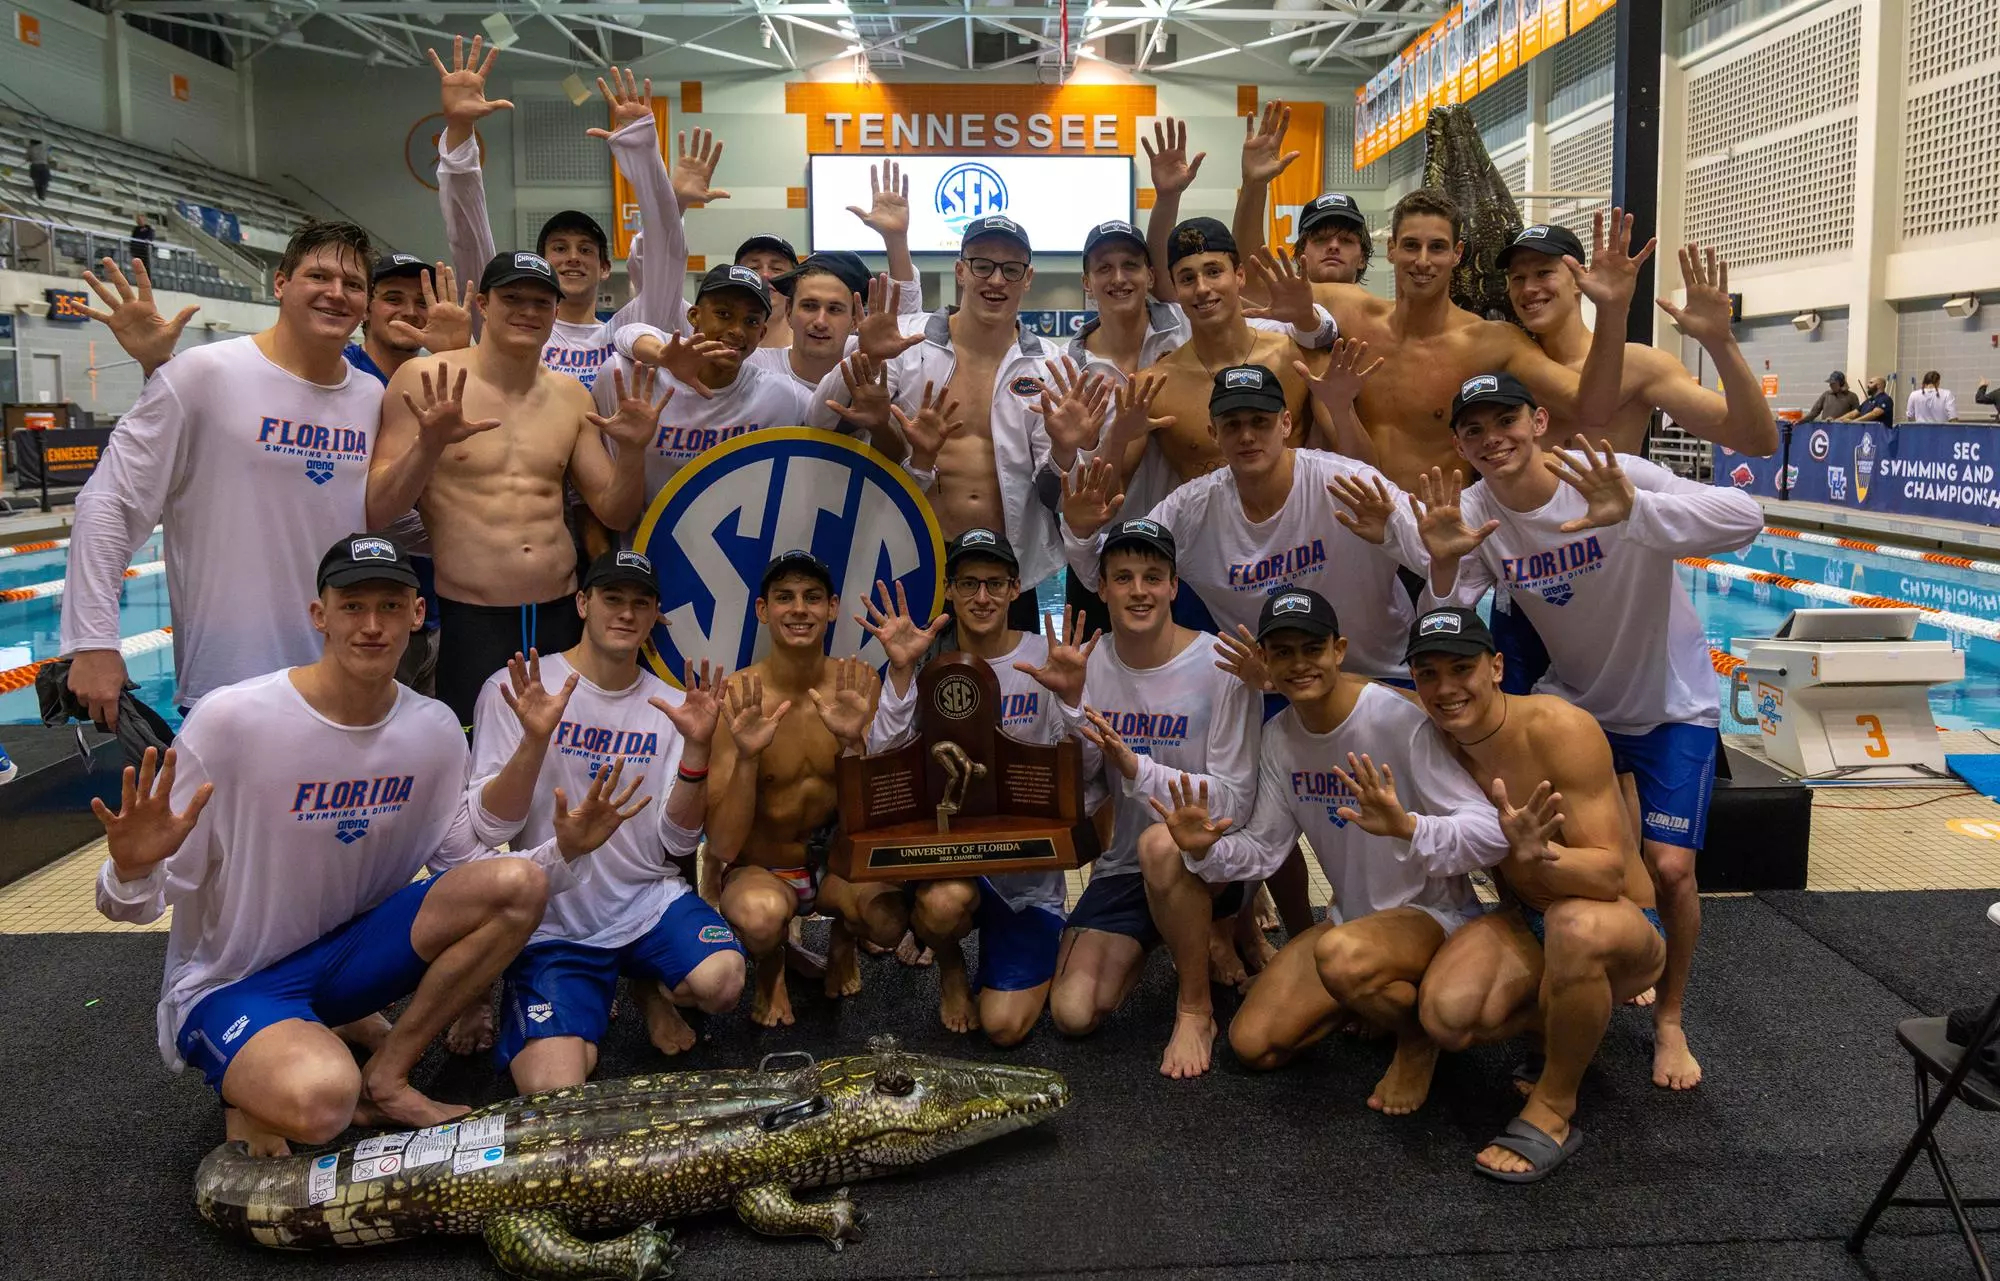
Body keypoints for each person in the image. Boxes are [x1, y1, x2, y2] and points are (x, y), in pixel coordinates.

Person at [93, 533, 623, 1154]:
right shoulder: (232, 722)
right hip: (235, 980)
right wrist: (130, 867)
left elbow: (465, 859)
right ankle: (260, 1077)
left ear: (417, 614)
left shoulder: (431, 729)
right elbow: (138, 907)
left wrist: (566, 850)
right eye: (352, 606)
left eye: (391, 606)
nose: (372, 626)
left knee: (520, 884)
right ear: (320, 615)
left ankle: (390, 1073)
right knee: (321, 1104)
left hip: (350, 961)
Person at [1415, 372, 1763, 1091]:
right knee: (1526, 845)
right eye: (1473, 430)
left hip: (1669, 701)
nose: (1492, 439)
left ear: (1540, 420)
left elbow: (1745, 516)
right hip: (1576, 703)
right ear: (1459, 443)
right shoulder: (1476, 508)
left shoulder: (1608, 474)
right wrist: (1444, 561)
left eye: (1505, 420)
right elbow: (1445, 620)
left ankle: (1669, 1019)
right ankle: (1558, 991)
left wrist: (1634, 511)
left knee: (1670, 870)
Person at [1149, 589, 1507, 1111]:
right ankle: (1367, 997)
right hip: (1351, 921)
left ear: (1338, 650)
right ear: (1265, 662)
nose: (1299, 664)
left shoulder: (1395, 720)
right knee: (1254, 1044)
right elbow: (1266, 849)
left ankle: (1415, 1036)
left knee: (1340, 957)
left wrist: (1408, 827)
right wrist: (1204, 852)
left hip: (1433, 915)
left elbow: (1490, 832)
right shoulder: (1279, 737)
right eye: (1284, 652)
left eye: (1312, 649)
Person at [61, 220, 384, 726]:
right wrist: (94, 639)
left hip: (345, 678)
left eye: (353, 284)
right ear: (280, 284)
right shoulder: (200, 375)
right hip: (229, 683)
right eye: (318, 276)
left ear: (366, 302)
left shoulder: (372, 398)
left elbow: (383, 518)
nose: (336, 294)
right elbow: (110, 504)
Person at [1406, 605, 1667, 1183]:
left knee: (1574, 927)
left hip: (1619, 921)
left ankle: (1554, 1103)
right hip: (1528, 918)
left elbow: (1608, 876)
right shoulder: (1438, 737)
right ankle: (1559, 1026)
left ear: (1496, 666)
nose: (1445, 689)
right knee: (1445, 1018)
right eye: (1428, 674)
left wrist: (1537, 854)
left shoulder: (1559, 728)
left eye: (1460, 669)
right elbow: (1356, 690)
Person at [472, 550, 745, 1089]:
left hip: (645, 900)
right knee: (551, 1090)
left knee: (724, 983)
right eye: (611, 599)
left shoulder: (671, 705)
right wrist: (534, 739)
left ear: (654, 616)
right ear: (582, 603)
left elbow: (679, 838)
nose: (625, 613)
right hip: (555, 920)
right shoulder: (522, 687)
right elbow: (490, 827)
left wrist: (696, 751)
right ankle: (585, 1003)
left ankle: (646, 987)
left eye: (640, 603)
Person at [367, 250, 667, 731]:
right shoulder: (427, 379)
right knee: (477, 760)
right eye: (513, 298)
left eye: (541, 302)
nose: (528, 311)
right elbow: (379, 509)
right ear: (483, 304)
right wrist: (429, 444)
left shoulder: (571, 395)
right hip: (473, 618)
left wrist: (632, 451)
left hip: (560, 612)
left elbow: (614, 512)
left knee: (561, 754)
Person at [857, 530, 1104, 1043]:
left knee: (1003, 1029)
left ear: (1017, 590)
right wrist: (901, 673)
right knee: (941, 905)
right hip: (953, 864)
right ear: (949, 591)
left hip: (1027, 880)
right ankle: (951, 967)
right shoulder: (927, 663)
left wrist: (1072, 703)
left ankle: (1050, 943)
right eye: (969, 584)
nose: (982, 597)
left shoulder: (1049, 660)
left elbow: (1089, 774)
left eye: (995, 583)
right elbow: (885, 761)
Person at [1234, 190, 1644, 497]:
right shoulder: (1350, 310)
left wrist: (1612, 310)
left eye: (1437, 247)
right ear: (1392, 249)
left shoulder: (1491, 343)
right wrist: (1255, 183)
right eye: (1411, 245)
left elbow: (1590, 408)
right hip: (1354, 527)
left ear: (1457, 255)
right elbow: (1249, 282)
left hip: (1435, 533)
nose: (1423, 260)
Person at [1045, 520, 1261, 1078]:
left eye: (1152, 576)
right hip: (1125, 868)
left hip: (1209, 860)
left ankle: (1195, 1006)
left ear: (1172, 586)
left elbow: (1236, 795)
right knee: (1073, 1013)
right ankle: (1174, 935)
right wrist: (1071, 707)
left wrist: (1138, 769)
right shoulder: (1086, 664)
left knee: (1161, 846)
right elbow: (1091, 785)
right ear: (1103, 587)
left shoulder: (1220, 664)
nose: (1138, 590)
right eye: (1123, 577)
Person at [1062, 361, 1425, 684]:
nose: (1247, 436)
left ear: (1285, 424)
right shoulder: (1192, 509)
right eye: (1232, 425)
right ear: (1213, 434)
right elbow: (1106, 574)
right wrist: (1079, 531)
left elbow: (1435, 557)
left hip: (1380, 676)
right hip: (1271, 685)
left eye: (1260, 422)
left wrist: (1396, 539)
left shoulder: (1346, 483)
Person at [821, 215, 1089, 633]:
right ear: (960, 270)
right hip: (913, 553)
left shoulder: (1051, 367)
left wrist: (1066, 452)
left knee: (1006, 691)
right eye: (983, 264)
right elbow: (819, 420)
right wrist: (867, 356)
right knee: (905, 688)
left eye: (1011, 268)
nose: (996, 280)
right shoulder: (905, 342)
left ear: (1028, 277)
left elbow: (1050, 493)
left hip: (1007, 567)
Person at [705, 550, 900, 1027]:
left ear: (832, 608)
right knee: (760, 917)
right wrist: (749, 757)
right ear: (762, 610)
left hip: (836, 867)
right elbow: (724, 842)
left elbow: (885, 814)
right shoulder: (736, 696)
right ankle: (772, 969)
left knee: (890, 921)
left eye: (812, 598)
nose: (799, 609)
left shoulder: (861, 686)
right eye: (784, 597)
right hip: (764, 869)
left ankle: (843, 939)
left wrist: (855, 744)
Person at [434, 42, 694, 389]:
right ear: (541, 263)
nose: (573, 257)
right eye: (559, 248)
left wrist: (643, 154)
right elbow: (469, 238)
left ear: (605, 268)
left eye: (586, 250)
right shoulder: (512, 323)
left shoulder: (631, 330)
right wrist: (460, 131)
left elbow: (666, 254)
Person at [1498, 228, 1778, 456]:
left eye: (1543, 273)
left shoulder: (1637, 366)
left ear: (1577, 280)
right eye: (1517, 278)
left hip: (1609, 525)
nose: (1529, 289)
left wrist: (1722, 344)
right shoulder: (1505, 369)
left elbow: (1757, 442)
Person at [1227, 103, 1374, 288]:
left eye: (1346, 240)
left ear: (1362, 258)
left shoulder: (1382, 315)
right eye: (1320, 239)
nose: (1333, 246)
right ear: (1299, 255)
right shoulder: (1280, 306)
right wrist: (1254, 184)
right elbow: (1251, 270)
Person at [735, 233, 800, 351]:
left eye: (777, 269)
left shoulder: (811, 351)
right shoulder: (716, 348)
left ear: (795, 280)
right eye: (753, 268)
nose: (765, 275)